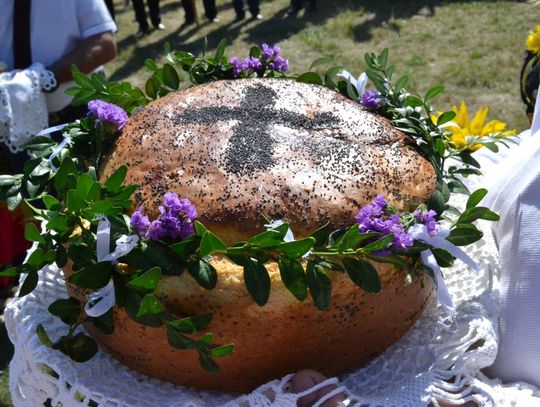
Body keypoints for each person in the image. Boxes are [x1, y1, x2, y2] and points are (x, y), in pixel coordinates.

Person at [0, 0, 117, 290]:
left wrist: (48, 77)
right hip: (15, 122)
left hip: (72, 113)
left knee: (90, 206)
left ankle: (99, 285)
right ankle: (50, 287)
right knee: (37, 208)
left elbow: (104, 43)